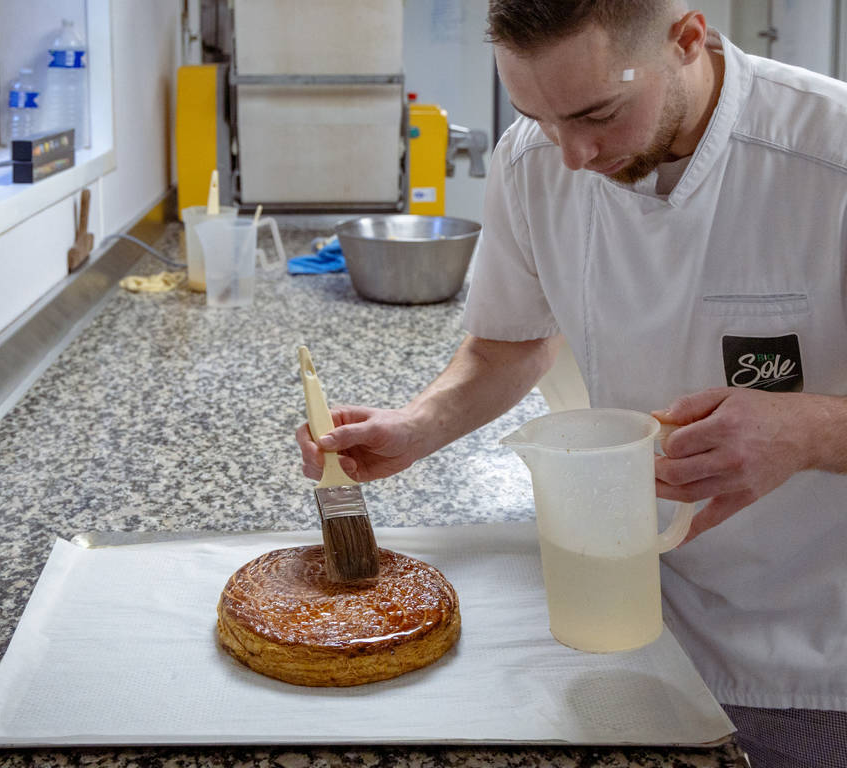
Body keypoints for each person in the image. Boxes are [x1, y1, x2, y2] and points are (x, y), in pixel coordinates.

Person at [296, 2, 847, 766]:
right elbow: (509, 347)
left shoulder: (829, 153)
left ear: (686, 39)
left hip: (813, 657)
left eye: (598, 114)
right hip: (629, 619)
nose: (571, 156)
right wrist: (417, 425)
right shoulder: (534, 161)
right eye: (538, 116)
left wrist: (809, 429)